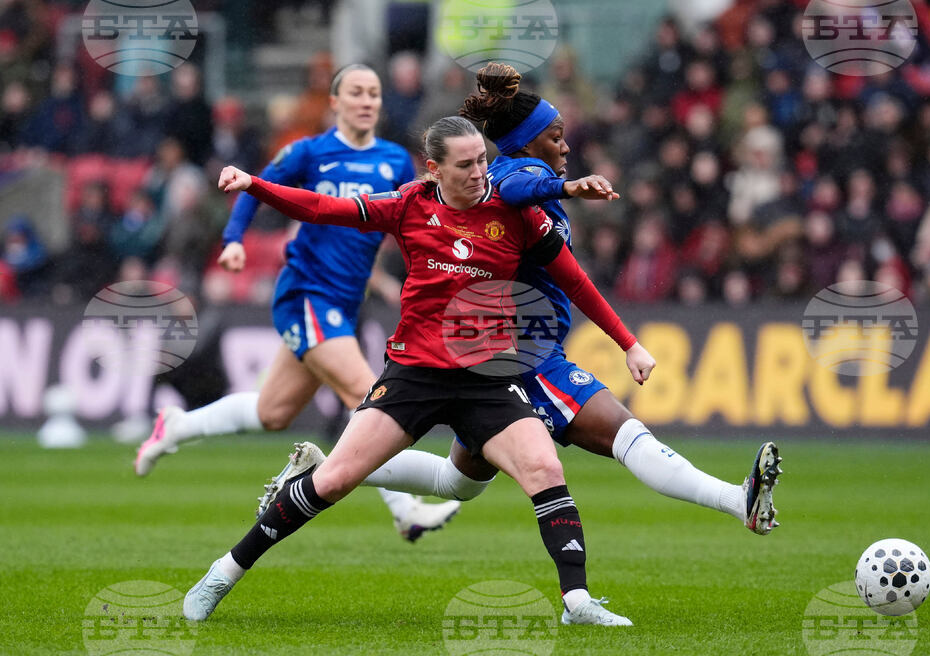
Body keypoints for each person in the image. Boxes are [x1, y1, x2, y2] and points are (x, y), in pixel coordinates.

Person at [183, 115, 656, 626]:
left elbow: (577, 281)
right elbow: (323, 208)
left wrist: (629, 343)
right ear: (434, 170)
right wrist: (255, 185)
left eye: (482, 159)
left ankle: (577, 602)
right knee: (336, 479)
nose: (481, 173)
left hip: (490, 378)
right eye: (466, 164)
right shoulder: (409, 205)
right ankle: (225, 570)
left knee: (545, 470)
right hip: (415, 373)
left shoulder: (516, 213)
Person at [288, 62, 782, 538]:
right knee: (627, 435)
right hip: (525, 355)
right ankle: (738, 501)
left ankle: (318, 476)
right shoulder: (510, 181)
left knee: (456, 482)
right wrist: (564, 187)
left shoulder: (506, 183)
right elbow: (522, 183)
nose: (565, 145)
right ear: (527, 142)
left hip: (495, 355)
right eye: (556, 135)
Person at [133, 64, 460, 541]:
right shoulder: (310, 152)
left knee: (274, 412)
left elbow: (405, 222)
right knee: (370, 397)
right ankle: (406, 510)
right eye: (356, 92)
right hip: (307, 293)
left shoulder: (393, 161)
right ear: (335, 101)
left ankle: (177, 426)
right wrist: (233, 239)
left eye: (374, 92)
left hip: (346, 300)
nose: (367, 100)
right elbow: (252, 186)